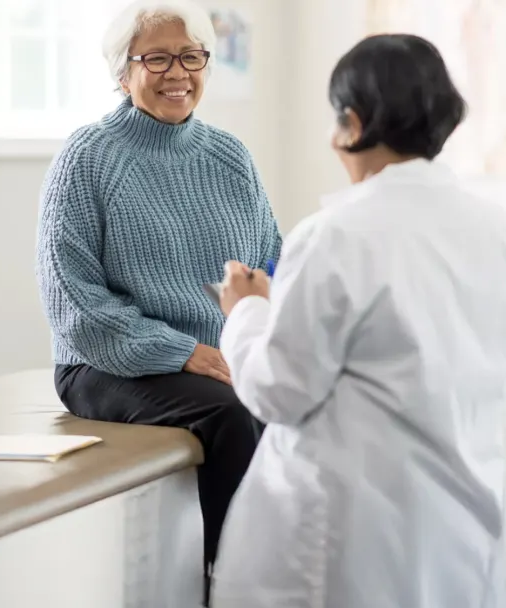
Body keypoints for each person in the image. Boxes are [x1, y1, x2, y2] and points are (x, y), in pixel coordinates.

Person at [212, 34, 506, 607]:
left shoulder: (336, 235)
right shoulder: (495, 226)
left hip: (351, 537)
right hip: (465, 527)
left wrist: (246, 310)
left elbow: (280, 390)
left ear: (352, 122)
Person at [34, 0, 282, 600]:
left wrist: (265, 330)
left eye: (191, 56)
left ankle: (296, 569)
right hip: (105, 361)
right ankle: (234, 582)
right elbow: (75, 303)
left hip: (217, 353)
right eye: (158, 58)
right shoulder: (88, 157)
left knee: (292, 400)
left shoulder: (230, 157)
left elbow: (273, 259)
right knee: (229, 412)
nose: (178, 72)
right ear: (123, 73)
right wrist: (180, 351)